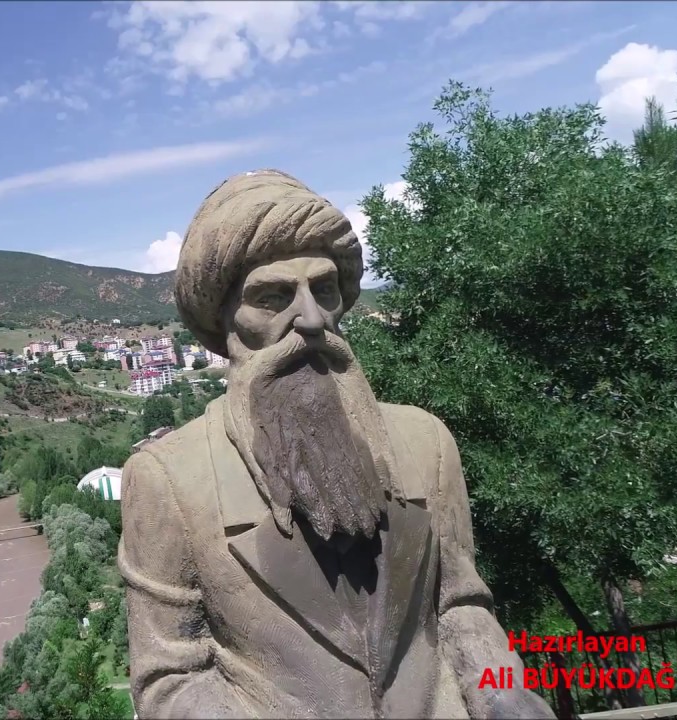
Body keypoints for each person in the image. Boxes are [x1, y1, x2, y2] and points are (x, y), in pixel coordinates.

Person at [118, 170, 553, 719]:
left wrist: (502, 693)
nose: (312, 318)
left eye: (323, 289)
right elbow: (171, 679)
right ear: (224, 319)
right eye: (273, 297)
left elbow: (461, 606)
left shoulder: (425, 443)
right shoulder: (168, 477)